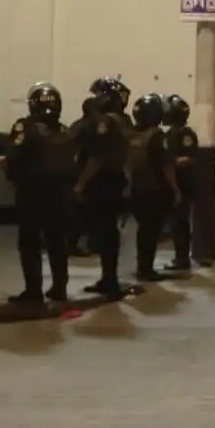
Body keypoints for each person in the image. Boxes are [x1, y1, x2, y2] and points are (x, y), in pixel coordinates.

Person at [5, 83, 79, 305]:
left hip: (32, 194)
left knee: (30, 243)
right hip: (61, 195)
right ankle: (59, 287)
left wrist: (14, 178)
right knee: (57, 242)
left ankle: (33, 291)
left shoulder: (24, 127)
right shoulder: (65, 131)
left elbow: (13, 157)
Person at [75, 77, 133, 299]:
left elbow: (97, 156)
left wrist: (81, 183)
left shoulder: (107, 123)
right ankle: (109, 277)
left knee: (105, 230)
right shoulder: (124, 120)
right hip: (116, 179)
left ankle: (109, 280)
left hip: (104, 181)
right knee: (108, 230)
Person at [125, 94, 179, 283]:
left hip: (136, 187)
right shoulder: (156, 136)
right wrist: (175, 189)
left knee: (143, 229)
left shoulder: (132, 135)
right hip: (153, 187)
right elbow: (166, 165)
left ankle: (142, 266)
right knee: (151, 230)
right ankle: (146, 269)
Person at [162, 95, 201, 271]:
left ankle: (182, 258)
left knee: (180, 221)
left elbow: (189, 157)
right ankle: (180, 256)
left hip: (183, 183)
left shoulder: (186, 134)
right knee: (175, 222)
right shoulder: (170, 133)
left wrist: (170, 163)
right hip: (172, 182)